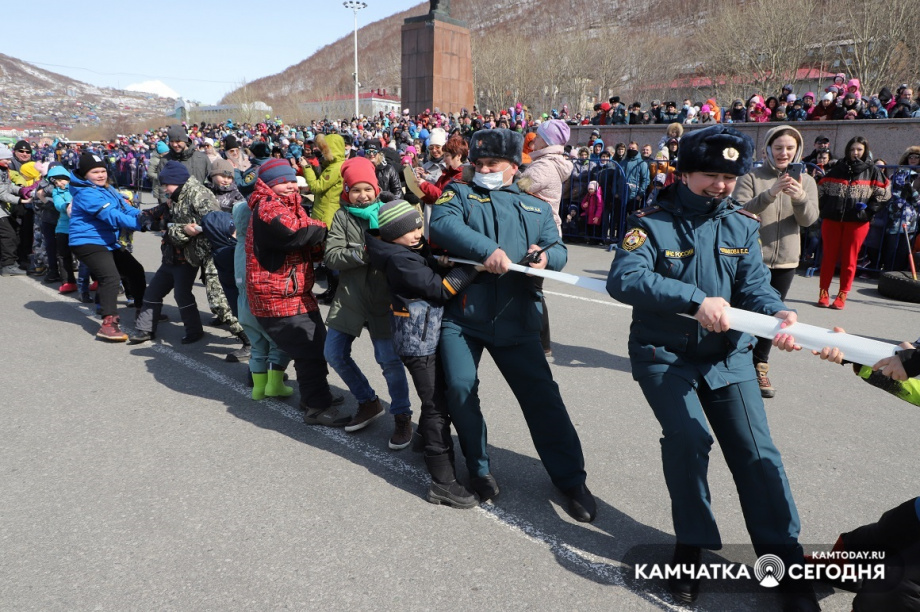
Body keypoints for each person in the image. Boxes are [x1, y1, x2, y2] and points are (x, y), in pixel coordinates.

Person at [606, 125, 819, 611]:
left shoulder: (742, 224)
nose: (721, 185)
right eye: (710, 175)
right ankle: (690, 548)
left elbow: (755, 287)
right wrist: (695, 299)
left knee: (757, 452)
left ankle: (782, 561)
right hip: (666, 356)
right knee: (688, 440)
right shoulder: (652, 223)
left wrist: (776, 312)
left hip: (729, 358)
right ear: (683, 173)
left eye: (729, 176)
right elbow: (626, 278)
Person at [428, 128, 596, 521]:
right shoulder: (460, 194)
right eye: (479, 164)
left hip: (518, 317)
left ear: (513, 166)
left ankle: (571, 479)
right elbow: (442, 226)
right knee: (460, 389)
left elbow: (559, 249)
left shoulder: (535, 206)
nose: (485, 170)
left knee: (543, 400)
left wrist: (544, 259)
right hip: (465, 315)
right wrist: (488, 250)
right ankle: (480, 467)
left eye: (493, 164)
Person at [365, 199, 480, 508]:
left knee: (437, 395)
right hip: (418, 342)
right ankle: (443, 482)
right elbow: (439, 289)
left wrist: (436, 259)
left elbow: (423, 264)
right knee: (435, 406)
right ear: (391, 234)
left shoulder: (401, 251)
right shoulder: (399, 259)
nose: (417, 233)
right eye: (409, 230)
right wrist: (470, 268)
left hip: (422, 336)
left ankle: (420, 442)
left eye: (419, 226)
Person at [246, 157, 346, 424]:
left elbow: (306, 242)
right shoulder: (267, 206)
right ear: (268, 184)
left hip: (295, 291)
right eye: (282, 181)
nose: (290, 185)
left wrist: (317, 240)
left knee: (316, 342)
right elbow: (294, 235)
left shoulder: (291, 205)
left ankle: (314, 394)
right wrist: (325, 228)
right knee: (308, 348)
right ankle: (317, 407)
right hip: (276, 295)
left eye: (292, 180)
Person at [323, 157, 413, 449]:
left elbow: (413, 246)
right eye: (355, 190)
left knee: (389, 361)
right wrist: (365, 252)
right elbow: (332, 256)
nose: (362, 195)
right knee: (334, 353)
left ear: (376, 189)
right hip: (350, 298)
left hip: (385, 301)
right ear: (346, 191)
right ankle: (368, 401)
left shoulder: (392, 212)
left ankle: (402, 416)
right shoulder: (341, 217)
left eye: (367, 189)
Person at [732, 125, 819, 398]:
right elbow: (740, 211)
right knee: (742, 314)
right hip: (751, 260)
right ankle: (732, 362)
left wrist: (799, 197)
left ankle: (760, 365)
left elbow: (809, 220)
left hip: (785, 262)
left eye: (789, 148)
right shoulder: (751, 177)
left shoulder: (807, 182)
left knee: (774, 318)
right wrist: (771, 193)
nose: (783, 153)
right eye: (778, 147)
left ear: (798, 151)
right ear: (767, 149)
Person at [129, 162, 218, 345]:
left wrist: (177, 229)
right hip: (169, 258)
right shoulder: (170, 203)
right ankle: (145, 329)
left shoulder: (193, 198)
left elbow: (208, 225)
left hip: (186, 258)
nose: (164, 189)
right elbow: (146, 214)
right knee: (152, 292)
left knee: (182, 294)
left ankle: (194, 330)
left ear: (177, 182)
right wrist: (153, 224)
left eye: (166, 185)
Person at [68, 152, 148, 342]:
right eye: (95, 172)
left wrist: (147, 215)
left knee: (135, 270)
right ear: (85, 174)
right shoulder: (86, 193)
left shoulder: (107, 188)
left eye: (103, 171)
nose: (101, 175)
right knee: (110, 277)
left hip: (107, 241)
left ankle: (143, 311)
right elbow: (112, 216)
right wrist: (141, 225)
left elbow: (125, 208)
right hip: (86, 242)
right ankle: (108, 324)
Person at [518, 119, 573, 354]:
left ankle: (541, 343)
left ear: (547, 141)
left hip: (540, 233)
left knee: (531, 290)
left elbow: (517, 187)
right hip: (543, 231)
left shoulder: (543, 167)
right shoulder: (548, 163)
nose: (534, 139)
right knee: (531, 288)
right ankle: (540, 341)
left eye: (539, 136)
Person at [816, 136, 891, 309]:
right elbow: (821, 190)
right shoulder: (836, 168)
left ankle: (842, 294)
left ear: (865, 151)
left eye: (858, 149)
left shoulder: (872, 170)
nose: (855, 153)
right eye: (852, 149)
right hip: (832, 219)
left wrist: (868, 211)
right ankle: (823, 292)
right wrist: (825, 209)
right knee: (828, 257)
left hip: (857, 222)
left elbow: (884, 194)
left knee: (850, 259)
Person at [0, 144, 30, 276]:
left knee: (13, 231)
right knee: (8, 235)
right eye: (6, 159)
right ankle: (8, 265)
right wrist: (20, 200)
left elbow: (8, 186)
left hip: (3, 209)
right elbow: (2, 194)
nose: (9, 161)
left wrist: (22, 190)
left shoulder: (3, 170)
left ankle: (9, 261)